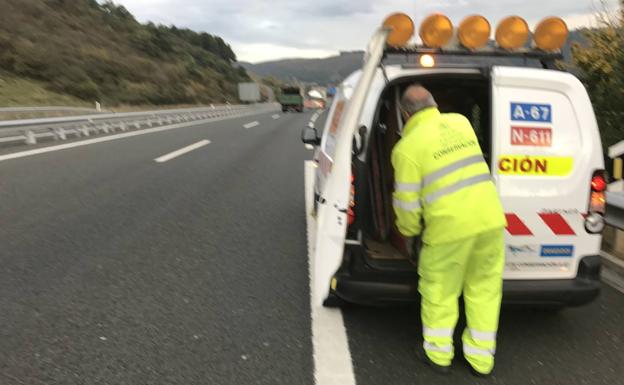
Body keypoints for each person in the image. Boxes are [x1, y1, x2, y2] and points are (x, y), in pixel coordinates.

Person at [391, 84, 506, 377]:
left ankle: (438, 354)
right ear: (434, 104)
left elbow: (406, 203)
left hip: (448, 228)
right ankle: (481, 359)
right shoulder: (461, 122)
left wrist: (409, 232)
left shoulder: (406, 149)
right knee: (484, 289)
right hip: (490, 221)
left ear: (405, 114)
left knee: (439, 290)